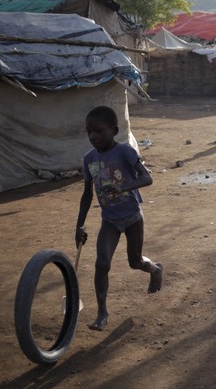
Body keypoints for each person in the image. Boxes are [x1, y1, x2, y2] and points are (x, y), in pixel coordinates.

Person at [75, 106, 163, 331]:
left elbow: (147, 178)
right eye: (89, 132)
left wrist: (124, 185)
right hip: (109, 221)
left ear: (114, 130)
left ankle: (154, 269)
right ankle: (102, 312)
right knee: (101, 263)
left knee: (135, 262)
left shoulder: (125, 152)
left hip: (132, 216)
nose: (93, 137)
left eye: (99, 131)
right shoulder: (88, 159)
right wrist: (80, 225)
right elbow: (86, 195)